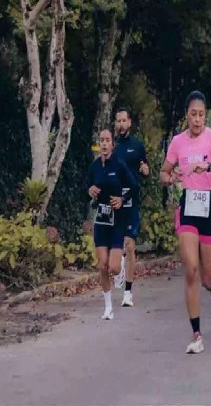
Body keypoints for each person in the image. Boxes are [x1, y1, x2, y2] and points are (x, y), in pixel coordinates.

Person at [160, 91, 211, 354]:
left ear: (206, 116)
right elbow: (163, 173)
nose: (197, 119)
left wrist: (210, 168)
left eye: (201, 114)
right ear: (187, 115)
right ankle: (196, 334)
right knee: (190, 269)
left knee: (206, 276)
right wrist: (172, 176)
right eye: (193, 114)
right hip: (188, 207)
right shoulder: (178, 142)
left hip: (210, 208)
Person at [86, 127, 137, 319]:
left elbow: (133, 186)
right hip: (101, 221)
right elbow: (89, 185)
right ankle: (108, 307)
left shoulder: (119, 165)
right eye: (101, 140)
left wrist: (122, 200)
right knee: (102, 265)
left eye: (107, 140)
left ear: (112, 145)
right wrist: (90, 190)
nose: (104, 144)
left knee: (114, 268)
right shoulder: (95, 166)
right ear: (99, 145)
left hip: (117, 221)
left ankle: (121, 265)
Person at [112, 107, 150, 307]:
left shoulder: (137, 146)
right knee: (116, 248)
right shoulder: (113, 147)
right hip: (115, 202)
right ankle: (118, 267)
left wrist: (145, 170)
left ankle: (128, 292)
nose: (120, 124)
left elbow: (146, 169)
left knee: (130, 245)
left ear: (130, 123)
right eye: (118, 121)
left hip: (132, 201)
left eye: (124, 120)